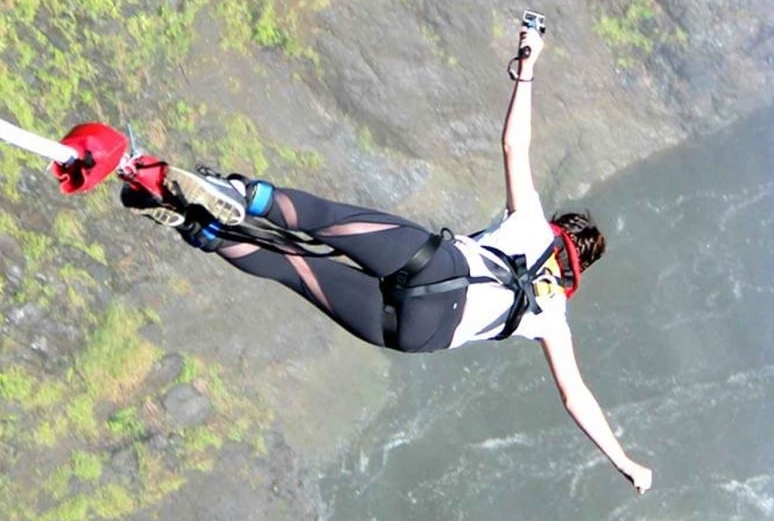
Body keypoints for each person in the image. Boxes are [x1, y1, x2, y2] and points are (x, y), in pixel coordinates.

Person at [121, 27, 653, 494]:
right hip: (412, 333)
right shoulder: (553, 319)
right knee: (295, 268)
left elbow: (514, 144)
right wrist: (624, 462)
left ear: (563, 232)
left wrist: (529, 65)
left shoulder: (534, 225)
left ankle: (239, 196)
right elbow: (574, 396)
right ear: (577, 273)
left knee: (322, 222)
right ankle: (196, 226)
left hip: (439, 266)